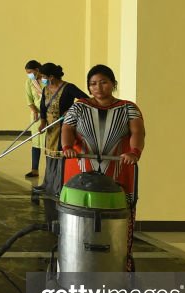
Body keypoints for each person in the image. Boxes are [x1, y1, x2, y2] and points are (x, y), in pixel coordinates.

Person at [62, 64, 146, 271]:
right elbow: (67, 128)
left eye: (103, 82)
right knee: (77, 219)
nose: (98, 87)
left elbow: (138, 132)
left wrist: (134, 153)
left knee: (119, 220)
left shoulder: (128, 107)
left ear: (113, 84)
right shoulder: (79, 106)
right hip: (81, 173)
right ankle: (74, 265)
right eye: (92, 84)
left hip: (118, 173)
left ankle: (120, 265)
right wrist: (67, 147)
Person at [38, 62, 87, 199]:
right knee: (49, 155)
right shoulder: (46, 89)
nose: (43, 79)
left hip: (64, 127)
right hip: (50, 128)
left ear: (52, 76)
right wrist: (42, 122)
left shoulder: (68, 87)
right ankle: (47, 184)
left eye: (44, 76)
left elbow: (85, 99)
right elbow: (43, 107)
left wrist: (71, 111)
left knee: (60, 157)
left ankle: (58, 186)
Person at [24, 59, 43, 178]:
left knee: (48, 143)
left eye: (31, 72)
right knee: (36, 143)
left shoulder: (47, 80)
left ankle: (52, 172)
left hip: (50, 115)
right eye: (27, 73)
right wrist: (34, 110)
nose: (30, 75)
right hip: (36, 116)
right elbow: (29, 99)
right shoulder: (29, 82)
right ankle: (34, 170)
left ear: (37, 70)